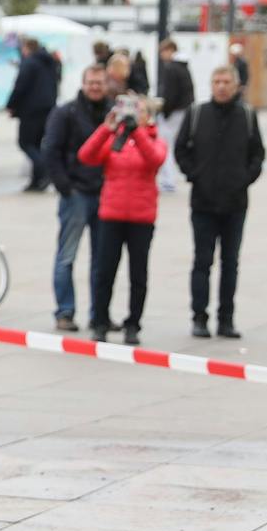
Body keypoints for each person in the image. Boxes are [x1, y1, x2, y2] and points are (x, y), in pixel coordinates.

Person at [175, 65, 264, 339]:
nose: (222, 87)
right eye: (217, 82)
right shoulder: (197, 114)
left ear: (236, 85)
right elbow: (181, 150)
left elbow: (257, 154)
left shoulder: (247, 116)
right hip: (203, 202)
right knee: (202, 261)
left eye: (226, 82)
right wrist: (194, 175)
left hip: (235, 203)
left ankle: (226, 319)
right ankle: (199, 317)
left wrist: (244, 178)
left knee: (230, 263)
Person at [79, 93, 167, 345]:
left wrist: (136, 131)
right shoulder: (113, 138)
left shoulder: (153, 138)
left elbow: (155, 160)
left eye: (137, 110)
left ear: (146, 115)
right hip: (111, 215)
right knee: (104, 271)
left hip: (142, 217)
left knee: (138, 275)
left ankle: (133, 325)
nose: (131, 114)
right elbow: (86, 156)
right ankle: (100, 321)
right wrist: (105, 129)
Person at [41, 65, 110, 332]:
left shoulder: (112, 113)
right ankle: (65, 311)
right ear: (83, 83)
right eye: (91, 82)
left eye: (100, 82)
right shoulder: (66, 112)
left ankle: (98, 313)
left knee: (102, 259)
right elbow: (51, 150)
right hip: (76, 194)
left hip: (104, 194)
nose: (95, 87)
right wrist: (65, 187)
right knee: (67, 255)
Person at [6, 36, 59, 192]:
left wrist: (11, 105)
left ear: (26, 48)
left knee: (26, 143)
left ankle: (44, 170)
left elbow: (20, 86)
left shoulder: (29, 63)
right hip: (47, 107)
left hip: (30, 109)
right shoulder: (49, 62)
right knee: (36, 143)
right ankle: (37, 181)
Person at [153, 39, 192, 193]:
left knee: (164, 145)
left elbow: (170, 94)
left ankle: (168, 180)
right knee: (174, 144)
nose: (161, 56)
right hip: (183, 110)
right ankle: (170, 178)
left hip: (173, 112)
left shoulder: (171, 69)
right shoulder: (183, 67)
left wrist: (164, 111)